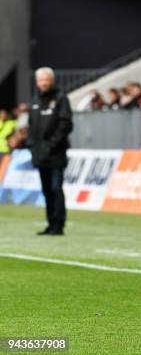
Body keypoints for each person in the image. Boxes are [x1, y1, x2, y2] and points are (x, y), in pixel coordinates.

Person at [28, 67, 73, 235]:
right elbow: (32, 126)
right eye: (40, 80)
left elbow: (65, 124)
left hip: (56, 153)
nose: (43, 83)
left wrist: (51, 145)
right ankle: (50, 222)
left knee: (56, 188)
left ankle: (58, 225)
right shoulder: (34, 101)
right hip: (39, 154)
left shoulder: (60, 98)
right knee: (46, 190)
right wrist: (32, 145)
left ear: (52, 80)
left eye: (46, 80)